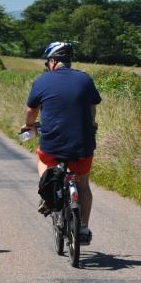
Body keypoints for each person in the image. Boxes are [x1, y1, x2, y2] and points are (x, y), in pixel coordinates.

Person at [21, 42, 101, 245]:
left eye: (48, 62)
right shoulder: (85, 79)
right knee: (83, 184)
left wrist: (29, 125)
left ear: (53, 61)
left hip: (53, 143)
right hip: (82, 143)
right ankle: (83, 228)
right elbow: (92, 108)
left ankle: (48, 193)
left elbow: (31, 111)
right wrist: (91, 126)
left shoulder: (42, 81)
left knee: (41, 158)